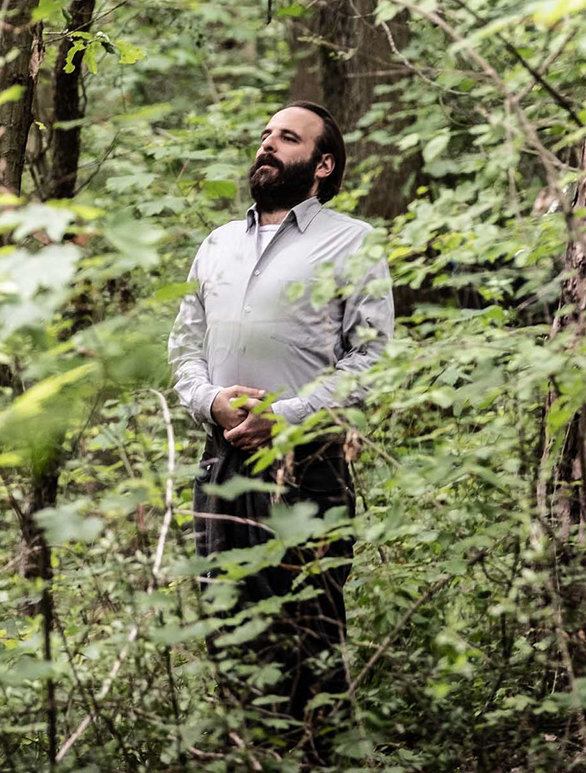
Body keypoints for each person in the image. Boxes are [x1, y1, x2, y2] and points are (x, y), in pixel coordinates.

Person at [167, 101, 394, 762]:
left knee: (306, 633)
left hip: (308, 465)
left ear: (322, 164)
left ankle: (315, 759)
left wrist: (284, 418)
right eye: (266, 134)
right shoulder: (218, 243)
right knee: (228, 628)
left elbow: (372, 359)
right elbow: (184, 345)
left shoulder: (351, 242)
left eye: (287, 138)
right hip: (221, 463)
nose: (267, 145)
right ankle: (252, 755)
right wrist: (212, 403)